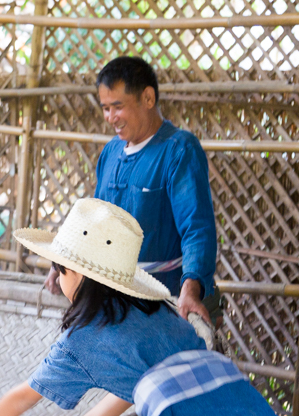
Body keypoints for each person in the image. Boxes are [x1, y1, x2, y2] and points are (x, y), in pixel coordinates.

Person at [0, 198, 291, 416]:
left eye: (58, 268)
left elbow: (25, 396)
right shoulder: (158, 313)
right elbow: (134, 391)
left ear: (76, 273)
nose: (56, 277)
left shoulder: (84, 339)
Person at [44, 56, 219, 324]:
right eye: (105, 108)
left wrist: (190, 290)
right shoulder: (111, 152)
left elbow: (197, 229)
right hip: (111, 300)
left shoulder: (179, 150)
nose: (110, 117)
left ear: (148, 98)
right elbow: (97, 221)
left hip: (163, 302)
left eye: (117, 107)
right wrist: (68, 263)